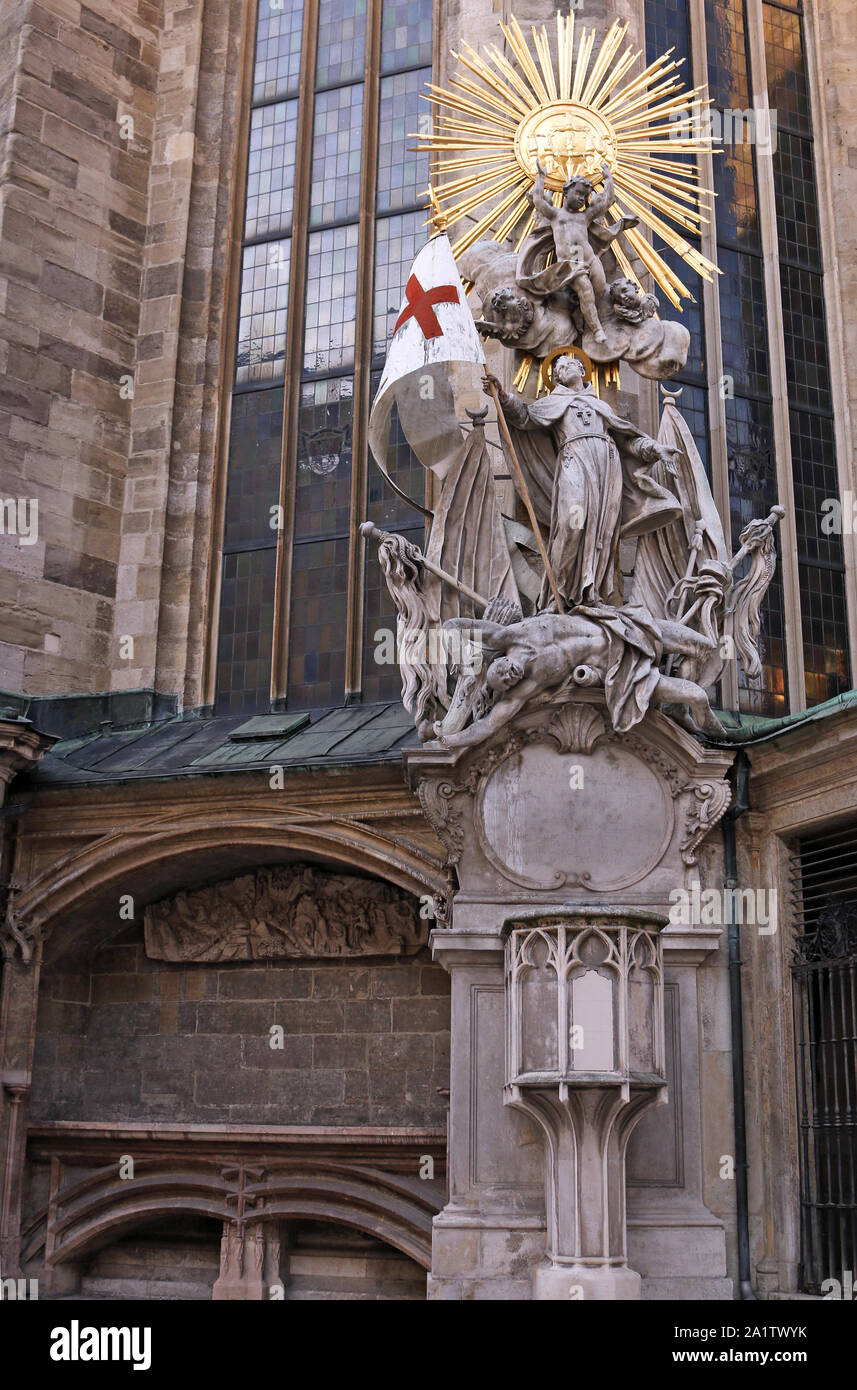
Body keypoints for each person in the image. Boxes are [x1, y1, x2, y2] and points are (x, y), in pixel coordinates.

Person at [484, 354, 682, 610]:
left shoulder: (602, 406)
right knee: (571, 525)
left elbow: (628, 441)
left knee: (603, 531)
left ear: (581, 369)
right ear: (555, 378)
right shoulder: (553, 402)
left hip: (607, 470)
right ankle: (561, 595)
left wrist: (655, 449)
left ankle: (593, 592)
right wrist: (503, 396)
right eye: (558, 368)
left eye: (568, 364)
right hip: (574, 463)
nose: (564, 368)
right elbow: (525, 417)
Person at [435, 605, 724, 748]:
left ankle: (679, 712)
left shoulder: (512, 635)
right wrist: (449, 741)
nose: (509, 675)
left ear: (499, 658)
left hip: (624, 627)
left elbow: (452, 625)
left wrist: (463, 657)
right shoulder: (527, 687)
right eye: (507, 682)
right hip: (623, 670)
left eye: (501, 670)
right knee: (697, 697)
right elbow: (487, 726)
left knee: (708, 648)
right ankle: (724, 742)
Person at [519, 161, 638, 343]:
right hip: (572, 260)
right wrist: (541, 177)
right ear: (566, 192)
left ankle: (580, 311)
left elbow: (608, 200)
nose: (582, 198)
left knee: (599, 288)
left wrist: (608, 178)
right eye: (579, 194)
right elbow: (538, 200)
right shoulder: (555, 215)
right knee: (585, 287)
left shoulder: (586, 216)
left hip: (589, 257)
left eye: (586, 195)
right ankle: (597, 329)